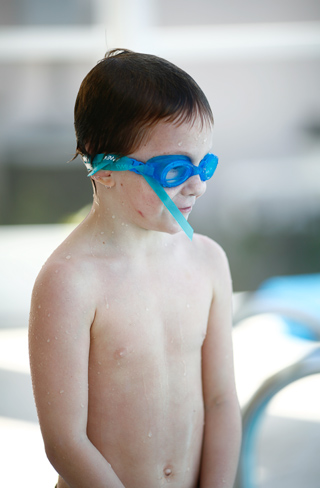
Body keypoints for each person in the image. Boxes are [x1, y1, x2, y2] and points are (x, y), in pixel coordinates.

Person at [29, 49, 241, 488]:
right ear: (104, 167)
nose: (198, 185)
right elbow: (64, 441)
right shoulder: (70, 282)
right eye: (175, 169)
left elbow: (221, 402)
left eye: (204, 165)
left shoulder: (207, 262)